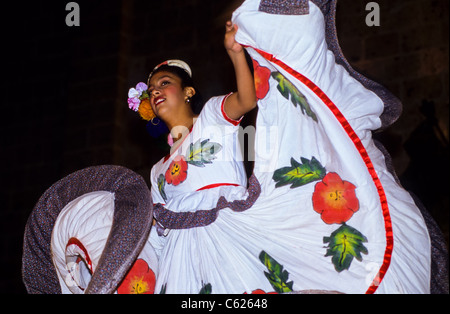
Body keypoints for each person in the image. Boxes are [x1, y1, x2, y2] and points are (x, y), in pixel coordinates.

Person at [128, 0, 432, 294]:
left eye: (164, 82)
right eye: (152, 89)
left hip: (232, 246)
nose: (156, 91)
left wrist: (236, 53)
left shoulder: (211, 116)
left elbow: (247, 100)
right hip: (179, 267)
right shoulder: (158, 171)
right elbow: (155, 235)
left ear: (188, 91)